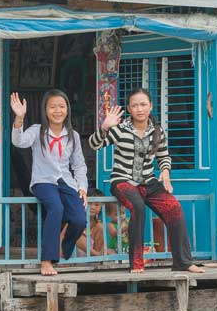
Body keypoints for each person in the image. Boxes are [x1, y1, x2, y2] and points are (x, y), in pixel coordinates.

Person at [89, 88, 204, 274]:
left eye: (143, 104)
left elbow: (164, 156)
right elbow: (94, 144)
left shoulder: (157, 131)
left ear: (150, 106)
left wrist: (165, 171)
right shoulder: (119, 129)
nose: (139, 109)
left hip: (149, 182)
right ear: (129, 108)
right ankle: (136, 263)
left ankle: (183, 262)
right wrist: (104, 128)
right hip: (122, 181)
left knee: (174, 208)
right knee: (138, 207)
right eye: (134, 105)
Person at [11, 90, 88, 276]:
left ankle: (63, 249)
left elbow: (79, 165)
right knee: (56, 208)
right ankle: (47, 261)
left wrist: (82, 187)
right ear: (45, 110)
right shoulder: (37, 131)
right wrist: (19, 118)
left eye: (61, 106)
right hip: (43, 181)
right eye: (52, 106)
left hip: (65, 182)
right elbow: (19, 141)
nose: (57, 111)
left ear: (67, 110)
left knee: (79, 218)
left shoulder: (73, 136)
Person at [75, 188, 115, 257]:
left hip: (90, 263)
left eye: (97, 205)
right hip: (72, 261)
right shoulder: (74, 222)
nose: (93, 207)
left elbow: (99, 250)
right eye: (89, 203)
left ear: (101, 208)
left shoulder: (99, 227)